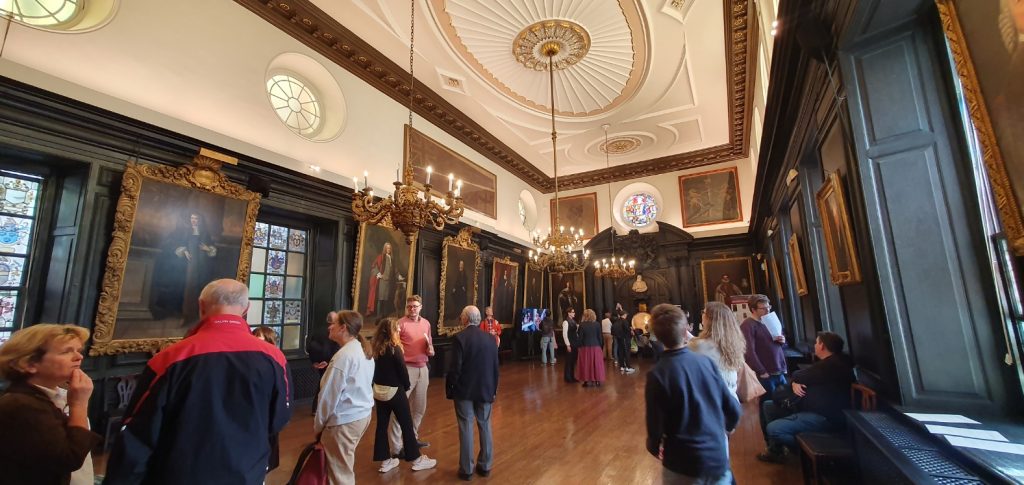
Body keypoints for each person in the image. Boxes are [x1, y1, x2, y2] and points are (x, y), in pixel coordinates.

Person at [104, 279, 290, 484]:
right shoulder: (275, 358)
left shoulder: (170, 358)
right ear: (246, 308)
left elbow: (136, 437)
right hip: (247, 473)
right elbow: (279, 419)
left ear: (201, 305)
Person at [645, 304, 741, 485]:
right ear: (685, 331)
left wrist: (654, 446)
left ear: (656, 337)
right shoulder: (706, 362)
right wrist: (721, 430)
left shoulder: (658, 374)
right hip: (716, 456)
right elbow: (733, 409)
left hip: (682, 461)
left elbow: (654, 425)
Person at [0, 324, 100, 485]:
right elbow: (69, 458)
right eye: (67, 351)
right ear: (29, 364)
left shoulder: (57, 395)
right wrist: (80, 405)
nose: (79, 357)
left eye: (78, 350)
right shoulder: (20, 404)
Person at [758, 332, 855, 464]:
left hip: (826, 417)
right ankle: (776, 451)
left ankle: (804, 454)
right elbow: (801, 376)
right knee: (768, 406)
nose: (814, 346)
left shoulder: (832, 365)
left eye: (816, 342)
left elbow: (798, 375)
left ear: (822, 346)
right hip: (812, 408)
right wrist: (795, 383)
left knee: (774, 429)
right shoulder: (831, 363)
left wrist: (794, 382)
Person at [316, 310, 375, 484]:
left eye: (333, 323)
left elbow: (328, 398)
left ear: (343, 328)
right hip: (360, 415)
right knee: (342, 466)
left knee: (340, 474)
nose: (330, 326)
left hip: (345, 421)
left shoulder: (344, 356)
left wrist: (318, 428)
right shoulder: (360, 349)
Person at [371, 318, 437, 474]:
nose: (399, 330)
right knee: (407, 425)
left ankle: (385, 461)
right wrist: (406, 386)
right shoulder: (395, 348)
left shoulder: (376, 348)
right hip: (395, 392)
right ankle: (416, 459)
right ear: (391, 331)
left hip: (379, 392)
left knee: (381, 426)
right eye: (396, 329)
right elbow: (402, 372)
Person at [446, 305, 500, 481]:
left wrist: (450, 388)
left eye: (461, 316)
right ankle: (485, 466)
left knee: (466, 426)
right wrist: (494, 389)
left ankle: (467, 469)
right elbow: (495, 368)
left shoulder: (460, 338)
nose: (461, 318)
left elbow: (455, 369)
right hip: (485, 389)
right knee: (485, 425)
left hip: (464, 390)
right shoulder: (491, 339)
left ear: (465, 319)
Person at [150, 211, 219, 324]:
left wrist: (208, 249)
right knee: (186, 288)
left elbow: (212, 249)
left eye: (196, 219)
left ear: (200, 221)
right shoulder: (185, 232)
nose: (193, 221)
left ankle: (198, 315)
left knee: (200, 288)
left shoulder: (205, 234)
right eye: (192, 218)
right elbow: (176, 244)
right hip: (186, 266)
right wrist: (184, 250)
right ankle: (185, 314)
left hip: (201, 267)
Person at [389, 295, 434, 454]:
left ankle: (412, 438)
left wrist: (431, 350)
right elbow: (394, 347)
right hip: (406, 369)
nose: (412, 309)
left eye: (415, 306)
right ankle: (396, 447)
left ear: (420, 307)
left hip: (423, 368)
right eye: (409, 306)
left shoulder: (426, 323)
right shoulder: (400, 324)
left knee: (419, 407)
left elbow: (430, 343)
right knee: (399, 408)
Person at [741, 294, 788, 440]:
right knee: (767, 407)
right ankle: (771, 443)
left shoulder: (770, 321)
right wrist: (761, 371)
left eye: (768, 307)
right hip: (766, 373)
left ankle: (781, 439)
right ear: (753, 309)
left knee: (783, 403)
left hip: (779, 368)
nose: (767, 310)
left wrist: (783, 340)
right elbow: (749, 351)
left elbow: (782, 344)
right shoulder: (748, 325)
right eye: (763, 308)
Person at [688, 302, 747, 401]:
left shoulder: (699, 345)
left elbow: (697, 347)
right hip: (732, 399)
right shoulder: (733, 342)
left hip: (713, 401)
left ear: (711, 319)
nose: (702, 314)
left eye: (704, 312)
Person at [307, 315, 341, 414]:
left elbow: (310, 346)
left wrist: (315, 362)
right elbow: (336, 347)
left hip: (320, 362)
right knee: (325, 385)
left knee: (322, 383)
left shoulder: (317, 330)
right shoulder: (335, 331)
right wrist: (328, 361)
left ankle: (316, 408)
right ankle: (319, 408)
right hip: (329, 362)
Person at [367, 242, 404, 318]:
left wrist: (399, 276)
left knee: (386, 299)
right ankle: (378, 316)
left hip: (389, 282)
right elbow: (374, 266)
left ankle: (384, 316)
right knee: (381, 299)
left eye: (390, 248)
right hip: (382, 282)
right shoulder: (380, 257)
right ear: (385, 249)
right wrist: (379, 274)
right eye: (387, 248)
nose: (388, 249)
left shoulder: (392, 259)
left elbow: (395, 271)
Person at [575, 309, 606, 387]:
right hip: (596, 346)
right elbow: (600, 337)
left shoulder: (582, 325)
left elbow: (580, 338)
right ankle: (597, 381)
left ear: (585, 316)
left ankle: (587, 381)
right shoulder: (597, 324)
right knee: (596, 364)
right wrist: (600, 346)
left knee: (586, 364)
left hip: (585, 347)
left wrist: (578, 346)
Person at [612, 307, 636, 374]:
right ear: (624, 314)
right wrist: (631, 331)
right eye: (626, 315)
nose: (626, 316)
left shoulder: (617, 321)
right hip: (625, 339)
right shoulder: (624, 321)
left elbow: (613, 330)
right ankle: (628, 367)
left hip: (619, 339)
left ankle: (622, 366)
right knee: (626, 353)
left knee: (621, 353)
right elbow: (627, 330)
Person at [561, 308, 580, 383]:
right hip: (570, 343)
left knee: (573, 361)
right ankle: (567, 377)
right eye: (573, 312)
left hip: (575, 343)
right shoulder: (566, 322)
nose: (574, 313)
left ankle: (572, 376)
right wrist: (567, 345)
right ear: (569, 313)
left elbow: (576, 333)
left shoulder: (573, 321)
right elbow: (564, 334)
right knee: (569, 361)